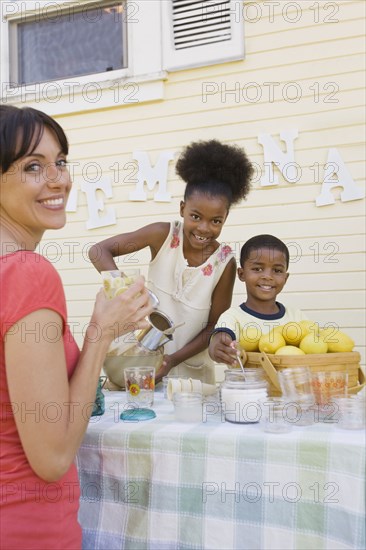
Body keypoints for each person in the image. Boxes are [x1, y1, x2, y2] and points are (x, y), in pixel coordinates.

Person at [0, 105, 153, 549]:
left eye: (61, 162)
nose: (59, 180)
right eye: (33, 166)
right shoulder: (27, 274)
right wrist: (101, 333)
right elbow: (51, 457)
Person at [89, 139, 253, 384]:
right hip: (139, 363)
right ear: (182, 208)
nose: (204, 228)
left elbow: (212, 327)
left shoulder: (224, 263)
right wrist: (126, 292)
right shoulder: (162, 236)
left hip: (191, 378)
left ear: (225, 217)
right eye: (195, 216)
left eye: (216, 221)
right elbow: (99, 251)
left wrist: (172, 360)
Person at [209, 234, 308, 366]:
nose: (267, 276)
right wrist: (217, 346)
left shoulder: (297, 316)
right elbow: (221, 337)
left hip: (288, 386)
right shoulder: (233, 317)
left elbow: (312, 345)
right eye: (257, 269)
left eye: (277, 270)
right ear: (241, 274)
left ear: (285, 277)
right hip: (247, 386)